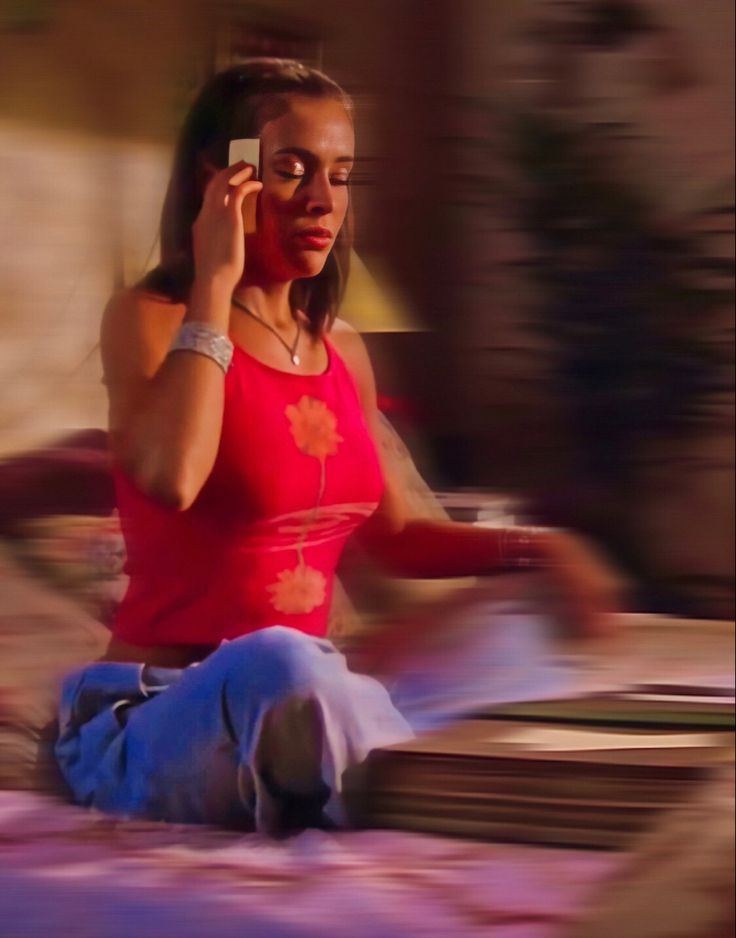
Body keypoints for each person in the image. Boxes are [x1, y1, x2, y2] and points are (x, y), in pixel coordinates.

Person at [55, 59, 623, 836]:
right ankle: (382, 758)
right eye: (291, 170)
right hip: (164, 711)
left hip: (306, 701)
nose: (324, 200)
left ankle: (364, 753)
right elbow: (172, 478)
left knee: (514, 628)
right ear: (225, 178)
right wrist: (214, 284)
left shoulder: (341, 349)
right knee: (280, 662)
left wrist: (540, 549)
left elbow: (396, 538)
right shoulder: (151, 318)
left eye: (342, 174)